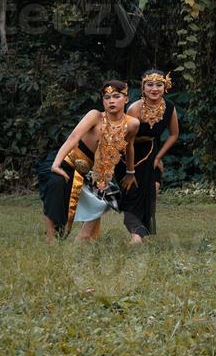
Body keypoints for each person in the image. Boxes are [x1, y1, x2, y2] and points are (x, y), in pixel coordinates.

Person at [38, 81, 140, 242]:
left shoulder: (133, 124)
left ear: (126, 99)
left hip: (92, 171)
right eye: (107, 97)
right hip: (66, 162)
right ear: (103, 101)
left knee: (110, 195)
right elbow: (73, 137)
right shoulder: (95, 116)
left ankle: (86, 236)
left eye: (116, 96)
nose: (111, 101)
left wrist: (130, 172)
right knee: (56, 184)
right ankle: (51, 239)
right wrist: (56, 164)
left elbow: (129, 147)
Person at [115, 70, 179, 243]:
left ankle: (141, 232)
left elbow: (174, 134)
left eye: (159, 84)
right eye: (150, 84)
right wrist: (130, 170)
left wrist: (158, 157)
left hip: (151, 151)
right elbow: (127, 140)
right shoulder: (135, 108)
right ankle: (136, 235)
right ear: (143, 87)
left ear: (165, 87)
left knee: (152, 190)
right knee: (133, 194)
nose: (154, 88)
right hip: (128, 154)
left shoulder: (169, 107)